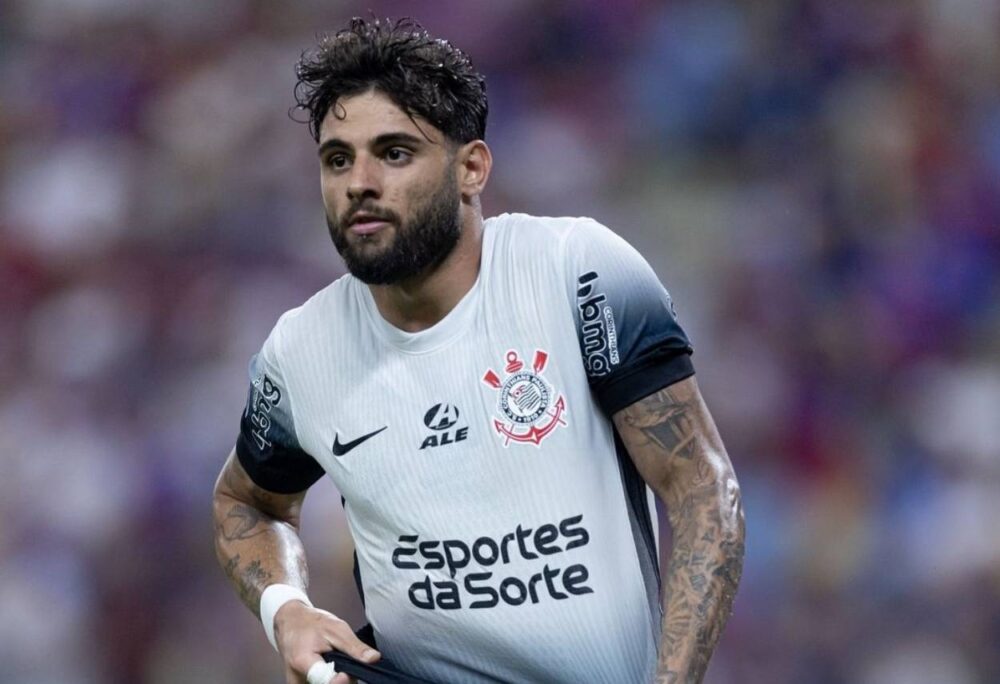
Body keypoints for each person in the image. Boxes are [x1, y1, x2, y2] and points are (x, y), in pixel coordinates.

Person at [212, 16, 744, 684]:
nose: (360, 183)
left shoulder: (579, 274)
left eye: (395, 153)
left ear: (471, 168)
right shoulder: (301, 351)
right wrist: (285, 608)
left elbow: (703, 490)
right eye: (337, 158)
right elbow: (246, 501)